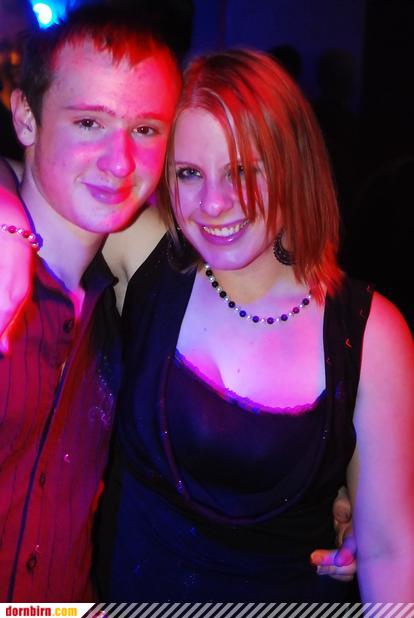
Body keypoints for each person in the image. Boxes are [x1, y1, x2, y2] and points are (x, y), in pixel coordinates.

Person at [90, 50, 413, 600]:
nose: (214, 203)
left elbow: (390, 552)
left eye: (242, 171)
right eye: (189, 173)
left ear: (293, 166)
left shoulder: (372, 335)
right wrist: (9, 222)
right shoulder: (142, 252)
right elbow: (37, 181)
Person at [0, 4, 181, 601]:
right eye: (88, 123)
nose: (120, 161)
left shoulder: (117, 306)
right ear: (26, 118)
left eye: (146, 130)